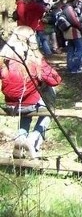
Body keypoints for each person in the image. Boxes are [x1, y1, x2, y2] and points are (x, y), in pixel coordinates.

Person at [0, 26, 62, 159]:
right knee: (48, 111)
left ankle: (21, 138)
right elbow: (55, 80)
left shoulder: (3, 58)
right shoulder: (35, 58)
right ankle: (33, 139)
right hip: (30, 103)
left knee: (25, 114)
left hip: (11, 104)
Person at [60, 0, 82, 73]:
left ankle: (70, 67)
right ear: (74, 0)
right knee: (80, 48)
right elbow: (74, 21)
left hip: (69, 32)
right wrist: (81, 28)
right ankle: (75, 67)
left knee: (71, 49)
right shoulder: (69, 8)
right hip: (73, 31)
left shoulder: (67, 7)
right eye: (76, 1)